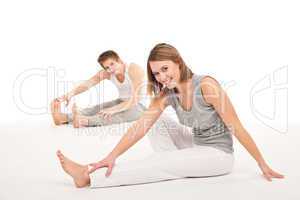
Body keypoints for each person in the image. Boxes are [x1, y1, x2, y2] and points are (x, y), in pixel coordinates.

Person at [56, 43, 284, 188]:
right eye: (156, 73)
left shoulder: (206, 86)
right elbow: (140, 126)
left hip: (219, 156)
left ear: (178, 63)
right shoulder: (167, 94)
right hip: (195, 145)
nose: (162, 76)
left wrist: (261, 163)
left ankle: (87, 176)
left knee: (162, 161)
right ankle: (173, 165)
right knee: (154, 119)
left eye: (165, 69)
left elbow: (237, 127)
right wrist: (111, 156)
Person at [50, 50, 146, 128]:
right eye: (107, 67)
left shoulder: (134, 69)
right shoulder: (107, 73)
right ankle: (63, 118)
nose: (110, 69)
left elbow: (135, 99)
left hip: (140, 106)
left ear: (119, 60)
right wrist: (69, 94)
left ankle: (84, 121)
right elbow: (88, 84)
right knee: (99, 108)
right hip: (122, 101)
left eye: (112, 64)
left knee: (112, 115)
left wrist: (114, 109)